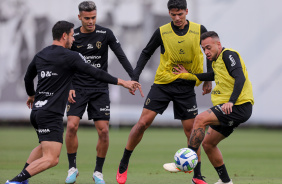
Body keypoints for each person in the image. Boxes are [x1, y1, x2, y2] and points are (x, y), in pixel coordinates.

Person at [5, 20, 141, 184]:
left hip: (37, 112)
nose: (74, 39)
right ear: (64, 36)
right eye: (71, 35)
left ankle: (22, 180)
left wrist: (31, 95)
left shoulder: (41, 54)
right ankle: (15, 181)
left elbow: (28, 77)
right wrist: (123, 82)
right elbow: (95, 73)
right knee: (52, 158)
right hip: (51, 114)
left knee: (43, 147)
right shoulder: (71, 56)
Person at [116, 0, 212, 184]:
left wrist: (207, 79)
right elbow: (146, 52)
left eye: (180, 14)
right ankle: (124, 162)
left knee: (191, 132)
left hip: (186, 85)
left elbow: (209, 53)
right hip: (163, 84)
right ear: (169, 13)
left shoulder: (199, 30)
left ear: (187, 11)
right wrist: (134, 77)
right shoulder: (162, 31)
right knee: (143, 123)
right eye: (173, 14)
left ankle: (197, 175)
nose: (177, 18)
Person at [64, 1, 141, 184]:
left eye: (93, 18)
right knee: (72, 126)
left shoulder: (105, 33)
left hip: (99, 89)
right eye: (87, 18)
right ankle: (72, 168)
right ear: (79, 17)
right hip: (78, 87)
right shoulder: (72, 36)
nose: (91, 21)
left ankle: (98, 172)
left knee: (104, 131)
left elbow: (121, 56)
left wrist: (133, 78)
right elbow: (64, 63)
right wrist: (69, 86)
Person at [170, 31, 254, 184]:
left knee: (200, 119)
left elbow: (240, 77)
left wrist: (231, 101)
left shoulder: (229, 55)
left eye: (208, 47)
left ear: (218, 44)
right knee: (208, 144)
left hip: (238, 106)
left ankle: (187, 160)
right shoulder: (217, 62)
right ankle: (225, 181)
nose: (206, 52)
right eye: (204, 49)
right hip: (230, 109)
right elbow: (211, 76)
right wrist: (187, 74)